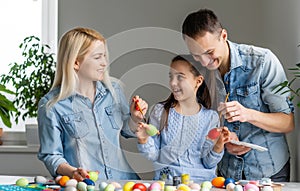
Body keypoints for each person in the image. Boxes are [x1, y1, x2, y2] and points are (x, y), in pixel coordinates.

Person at [181, 8, 295, 182]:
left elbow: (287, 122)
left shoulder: (263, 61)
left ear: (224, 36)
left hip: (268, 171)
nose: (204, 62)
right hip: (226, 173)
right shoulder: (198, 73)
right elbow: (199, 126)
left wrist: (247, 114)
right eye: (196, 55)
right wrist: (222, 141)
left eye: (209, 52)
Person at [37, 27, 148, 181]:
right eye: (97, 57)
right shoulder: (51, 106)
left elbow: (126, 131)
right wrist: (72, 172)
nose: (104, 63)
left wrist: (135, 119)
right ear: (76, 62)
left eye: (104, 56)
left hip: (125, 184)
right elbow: (51, 155)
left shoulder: (113, 91)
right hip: (89, 188)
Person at [135, 55, 231, 182]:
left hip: (202, 184)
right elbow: (154, 155)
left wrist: (219, 145)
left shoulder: (210, 117)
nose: (173, 83)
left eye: (180, 77)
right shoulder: (160, 111)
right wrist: (144, 139)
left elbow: (209, 163)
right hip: (168, 183)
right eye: (171, 77)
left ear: (198, 81)